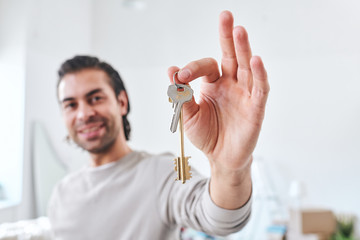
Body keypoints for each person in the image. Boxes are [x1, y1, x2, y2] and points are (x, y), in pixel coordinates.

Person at [48, 10, 269, 240]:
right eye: (71, 105)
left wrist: (229, 169)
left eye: (95, 98)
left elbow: (222, 219)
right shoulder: (60, 195)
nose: (84, 113)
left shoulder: (161, 173)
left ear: (121, 102)